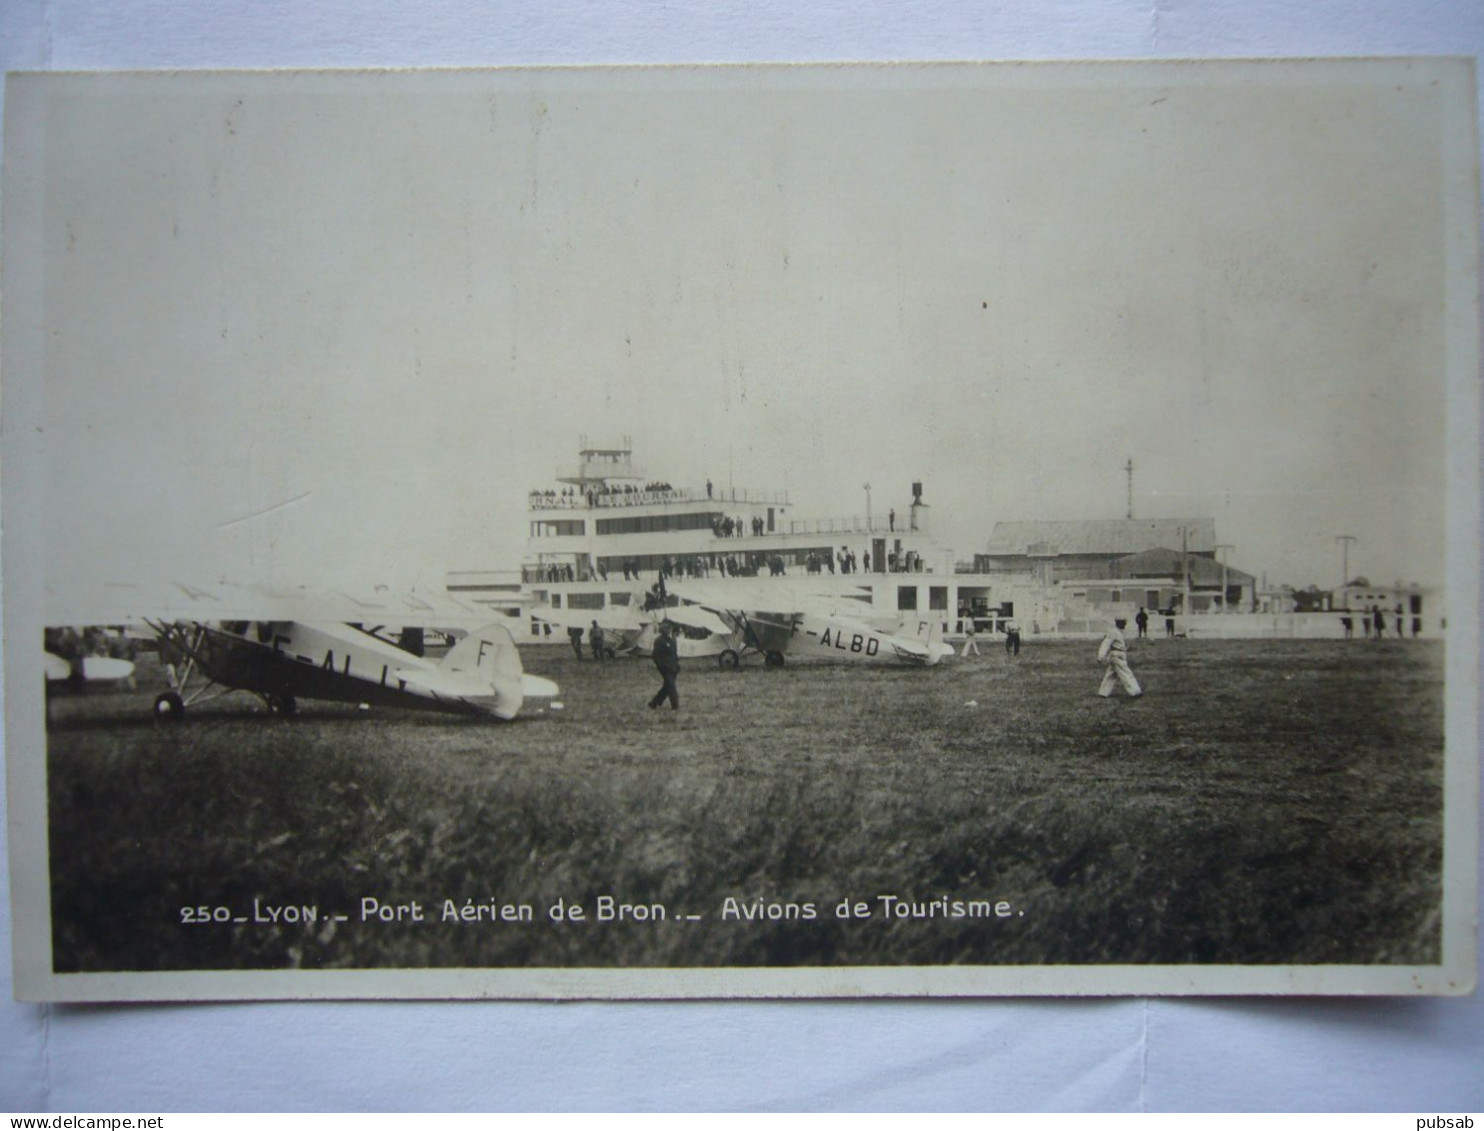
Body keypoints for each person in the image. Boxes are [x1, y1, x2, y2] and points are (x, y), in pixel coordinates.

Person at [1097, 618, 1142, 699]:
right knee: (1126, 672)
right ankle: (1135, 691)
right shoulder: (1113, 632)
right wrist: (1101, 656)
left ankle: (1103, 692)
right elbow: (1105, 644)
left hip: (1119, 654)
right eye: (1123, 623)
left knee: (1111, 674)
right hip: (1116, 655)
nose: (1125, 625)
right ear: (1118, 623)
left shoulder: (1119, 632)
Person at [648, 621, 680, 711]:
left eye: (669, 629)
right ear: (663, 630)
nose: (669, 630)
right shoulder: (659, 641)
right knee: (671, 685)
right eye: (667, 629)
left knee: (667, 685)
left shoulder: (672, 640)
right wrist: (661, 665)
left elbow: (674, 653)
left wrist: (676, 665)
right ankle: (675, 705)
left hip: (673, 666)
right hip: (665, 667)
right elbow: (656, 655)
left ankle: (654, 702)